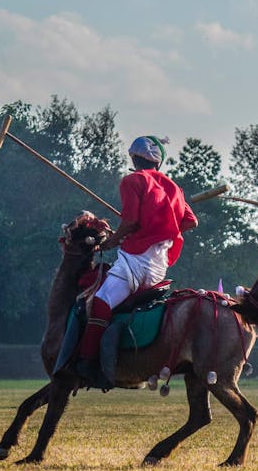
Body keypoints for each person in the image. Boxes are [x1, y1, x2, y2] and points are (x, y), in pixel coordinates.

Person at [76, 135, 198, 387]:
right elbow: (190, 222)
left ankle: (87, 364)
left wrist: (112, 241)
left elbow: (129, 222)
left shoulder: (132, 180)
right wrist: (160, 228)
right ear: (158, 162)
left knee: (100, 302)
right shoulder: (175, 188)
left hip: (135, 261)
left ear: (134, 157)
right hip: (159, 266)